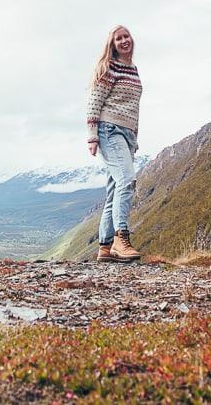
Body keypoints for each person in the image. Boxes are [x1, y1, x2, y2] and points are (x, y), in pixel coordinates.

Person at [85, 25, 142, 263]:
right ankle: (121, 238)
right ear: (112, 44)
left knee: (114, 191)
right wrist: (92, 135)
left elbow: (132, 107)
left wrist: (133, 138)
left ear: (132, 39)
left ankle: (105, 247)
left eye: (126, 36)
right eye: (118, 38)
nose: (123, 41)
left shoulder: (133, 70)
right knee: (126, 181)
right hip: (109, 130)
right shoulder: (109, 68)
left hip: (126, 135)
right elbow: (94, 101)